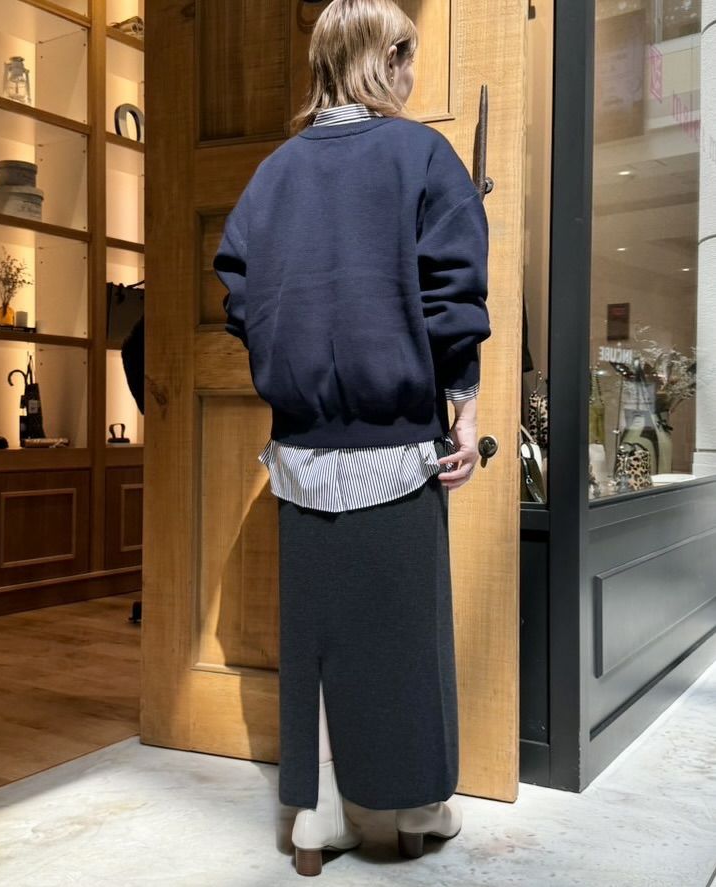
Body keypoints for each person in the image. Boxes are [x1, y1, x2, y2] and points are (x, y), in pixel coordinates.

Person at [212, 0, 491, 876]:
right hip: (397, 444)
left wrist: (287, 354)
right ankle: (413, 808)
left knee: (319, 638)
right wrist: (464, 404)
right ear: (388, 56)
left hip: (300, 451)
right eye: (407, 57)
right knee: (404, 635)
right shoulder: (421, 155)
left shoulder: (274, 173)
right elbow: (451, 293)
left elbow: (238, 292)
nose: (410, 73)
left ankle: (315, 817)